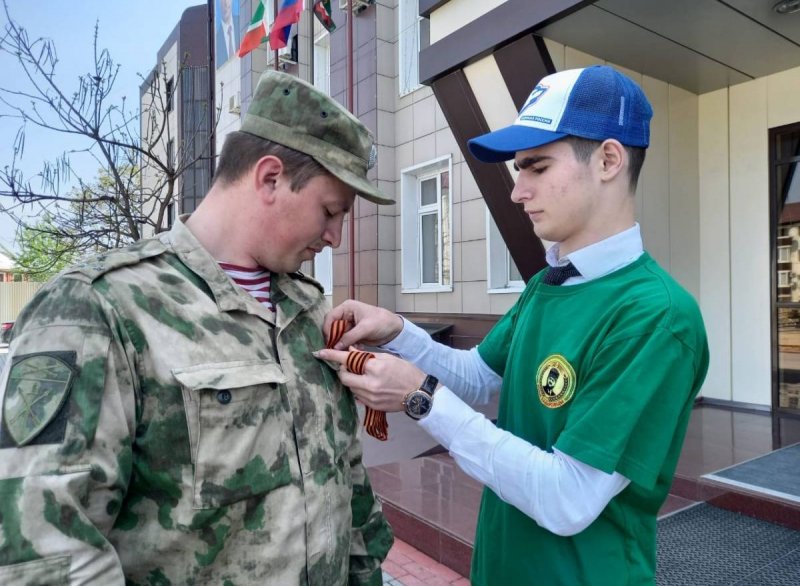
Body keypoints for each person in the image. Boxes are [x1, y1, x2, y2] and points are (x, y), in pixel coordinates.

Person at [316, 65, 709, 585]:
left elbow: (568, 498)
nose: (517, 191)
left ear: (609, 160)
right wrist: (397, 331)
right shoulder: (550, 283)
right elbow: (478, 376)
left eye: (537, 167)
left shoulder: (656, 317)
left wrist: (422, 398)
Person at [0, 70, 394, 585]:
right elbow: (45, 552)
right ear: (270, 178)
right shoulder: (98, 309)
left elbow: (345, 476)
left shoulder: (308, 311)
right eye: (330, 210)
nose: (335, 237)